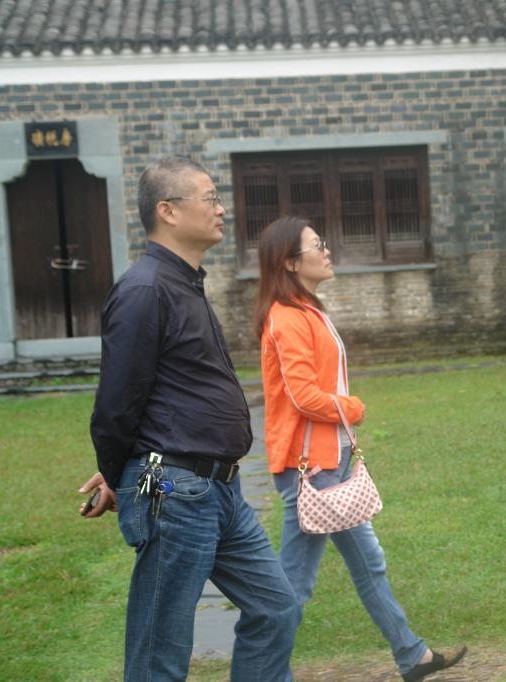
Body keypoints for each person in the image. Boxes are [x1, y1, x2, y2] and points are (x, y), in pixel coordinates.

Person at [77, 156, 301, 681]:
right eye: (211, 198)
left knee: (276, 608)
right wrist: (120, 473)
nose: (222, 209)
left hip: (220, 489)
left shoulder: (183, 283)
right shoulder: (145, 290)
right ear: (168, 211)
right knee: (161, 650)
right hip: (175, 491)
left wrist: (119, 471)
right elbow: (116, 404)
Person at [255, 216, 467, 682]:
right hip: (310, 470)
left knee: (367, 564)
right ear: (290, 262)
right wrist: (353, 408)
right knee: (293, 587)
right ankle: (262, 673)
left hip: (329, 463)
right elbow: (303, 396)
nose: (326, 251)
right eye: (317, 245)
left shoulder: (306, 310)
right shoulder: (286, 318)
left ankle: (413, 656)